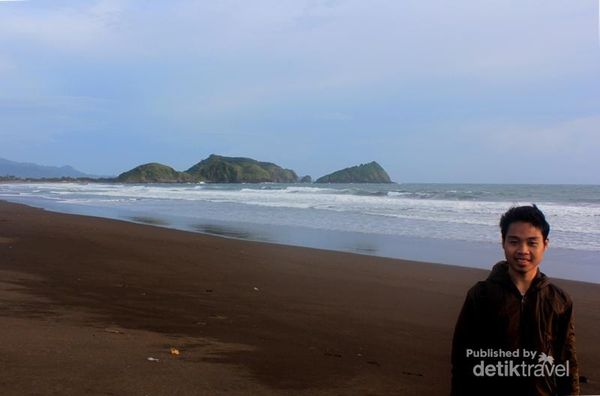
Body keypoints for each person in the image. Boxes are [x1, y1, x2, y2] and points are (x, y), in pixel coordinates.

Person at [451, 205, 579, 396]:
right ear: (503, 242)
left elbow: (567, 361)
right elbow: (462, 358)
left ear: (545, 244)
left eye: (532, 242)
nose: (522, 250)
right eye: (514, 242)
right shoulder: (481, 295)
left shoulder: (559, 300)